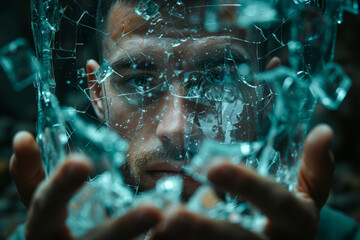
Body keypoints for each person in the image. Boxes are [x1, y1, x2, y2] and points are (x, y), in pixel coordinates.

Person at [8, 0, 360, 239]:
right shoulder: (52, 233)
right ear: (97, 95)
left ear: (268, 94)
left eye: (219, 78)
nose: (177, 129)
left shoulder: (329, 235)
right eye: (139, 80)